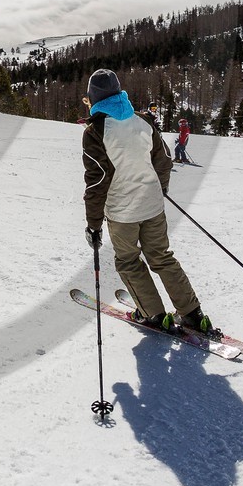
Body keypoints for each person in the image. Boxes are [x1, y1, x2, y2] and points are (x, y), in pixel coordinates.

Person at [80, 68, 211, 334]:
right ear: (119, 93)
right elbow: (163, 161)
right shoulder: (143, 120)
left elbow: (97, 182)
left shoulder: (94, 132)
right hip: (152, 205)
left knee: (128, 261)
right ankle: (192, 313)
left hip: (122, 211)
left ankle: (152, 313)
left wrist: (94, 225)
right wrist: (159, 189)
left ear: (93, 98)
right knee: (161, 256)